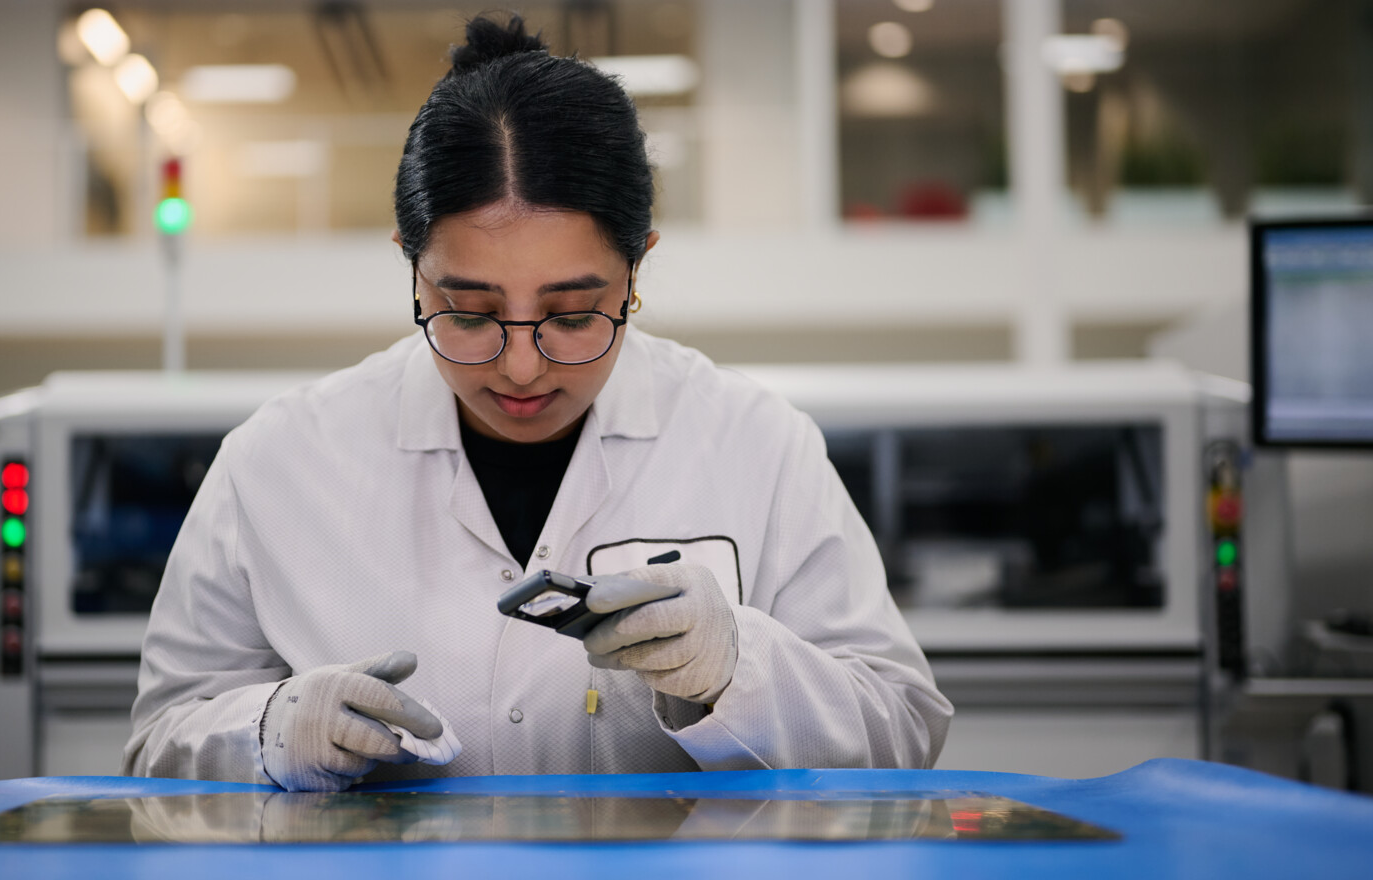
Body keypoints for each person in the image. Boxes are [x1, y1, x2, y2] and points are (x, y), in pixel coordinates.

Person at [123, 13, 951, 791]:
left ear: (639, 268)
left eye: (574, 313)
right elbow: (159, 738)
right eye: (471, 312)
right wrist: (266, 732)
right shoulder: (278, 462)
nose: (521, 365)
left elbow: (905, 728)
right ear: (411, 267)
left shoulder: (755, 445)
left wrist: (739, 667)